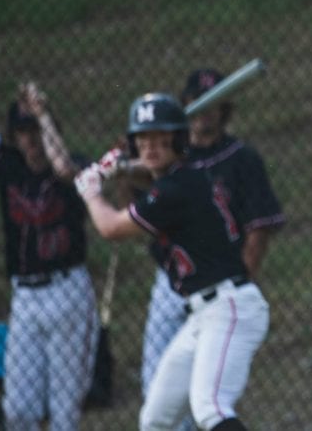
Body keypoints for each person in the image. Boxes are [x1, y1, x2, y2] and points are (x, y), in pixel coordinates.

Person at [74, 93, 269, 431]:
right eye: (143, 139)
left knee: (211, 408)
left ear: (178, 140)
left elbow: (111, 227)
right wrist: (118, 167)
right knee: (155, 419)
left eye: (161, 138)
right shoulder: (180, 180)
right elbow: (147, 177)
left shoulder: (175, 189)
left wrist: (91, 190)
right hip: (202, 313)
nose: (151, 146)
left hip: (230, 306)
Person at [0, 5, 98, 431]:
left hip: (68, 290)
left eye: (35, 131)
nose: (30, 140)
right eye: (23, 133)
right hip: (26, 297)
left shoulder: (72, 165)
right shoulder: (9, 167)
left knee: (65, 414)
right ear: (14, 136)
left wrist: (44, 113)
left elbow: (62, 168)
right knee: (18, 411)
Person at [140, 69, 286, 429]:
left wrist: (239, 277)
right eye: (197, 102)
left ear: (224, 110)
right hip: (175, 284)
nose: (204, 112)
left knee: (209, 405)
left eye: (213, 103)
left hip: (223, 285)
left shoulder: (241, 158)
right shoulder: (171, 160)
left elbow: (258, 228)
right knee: (156, 412)